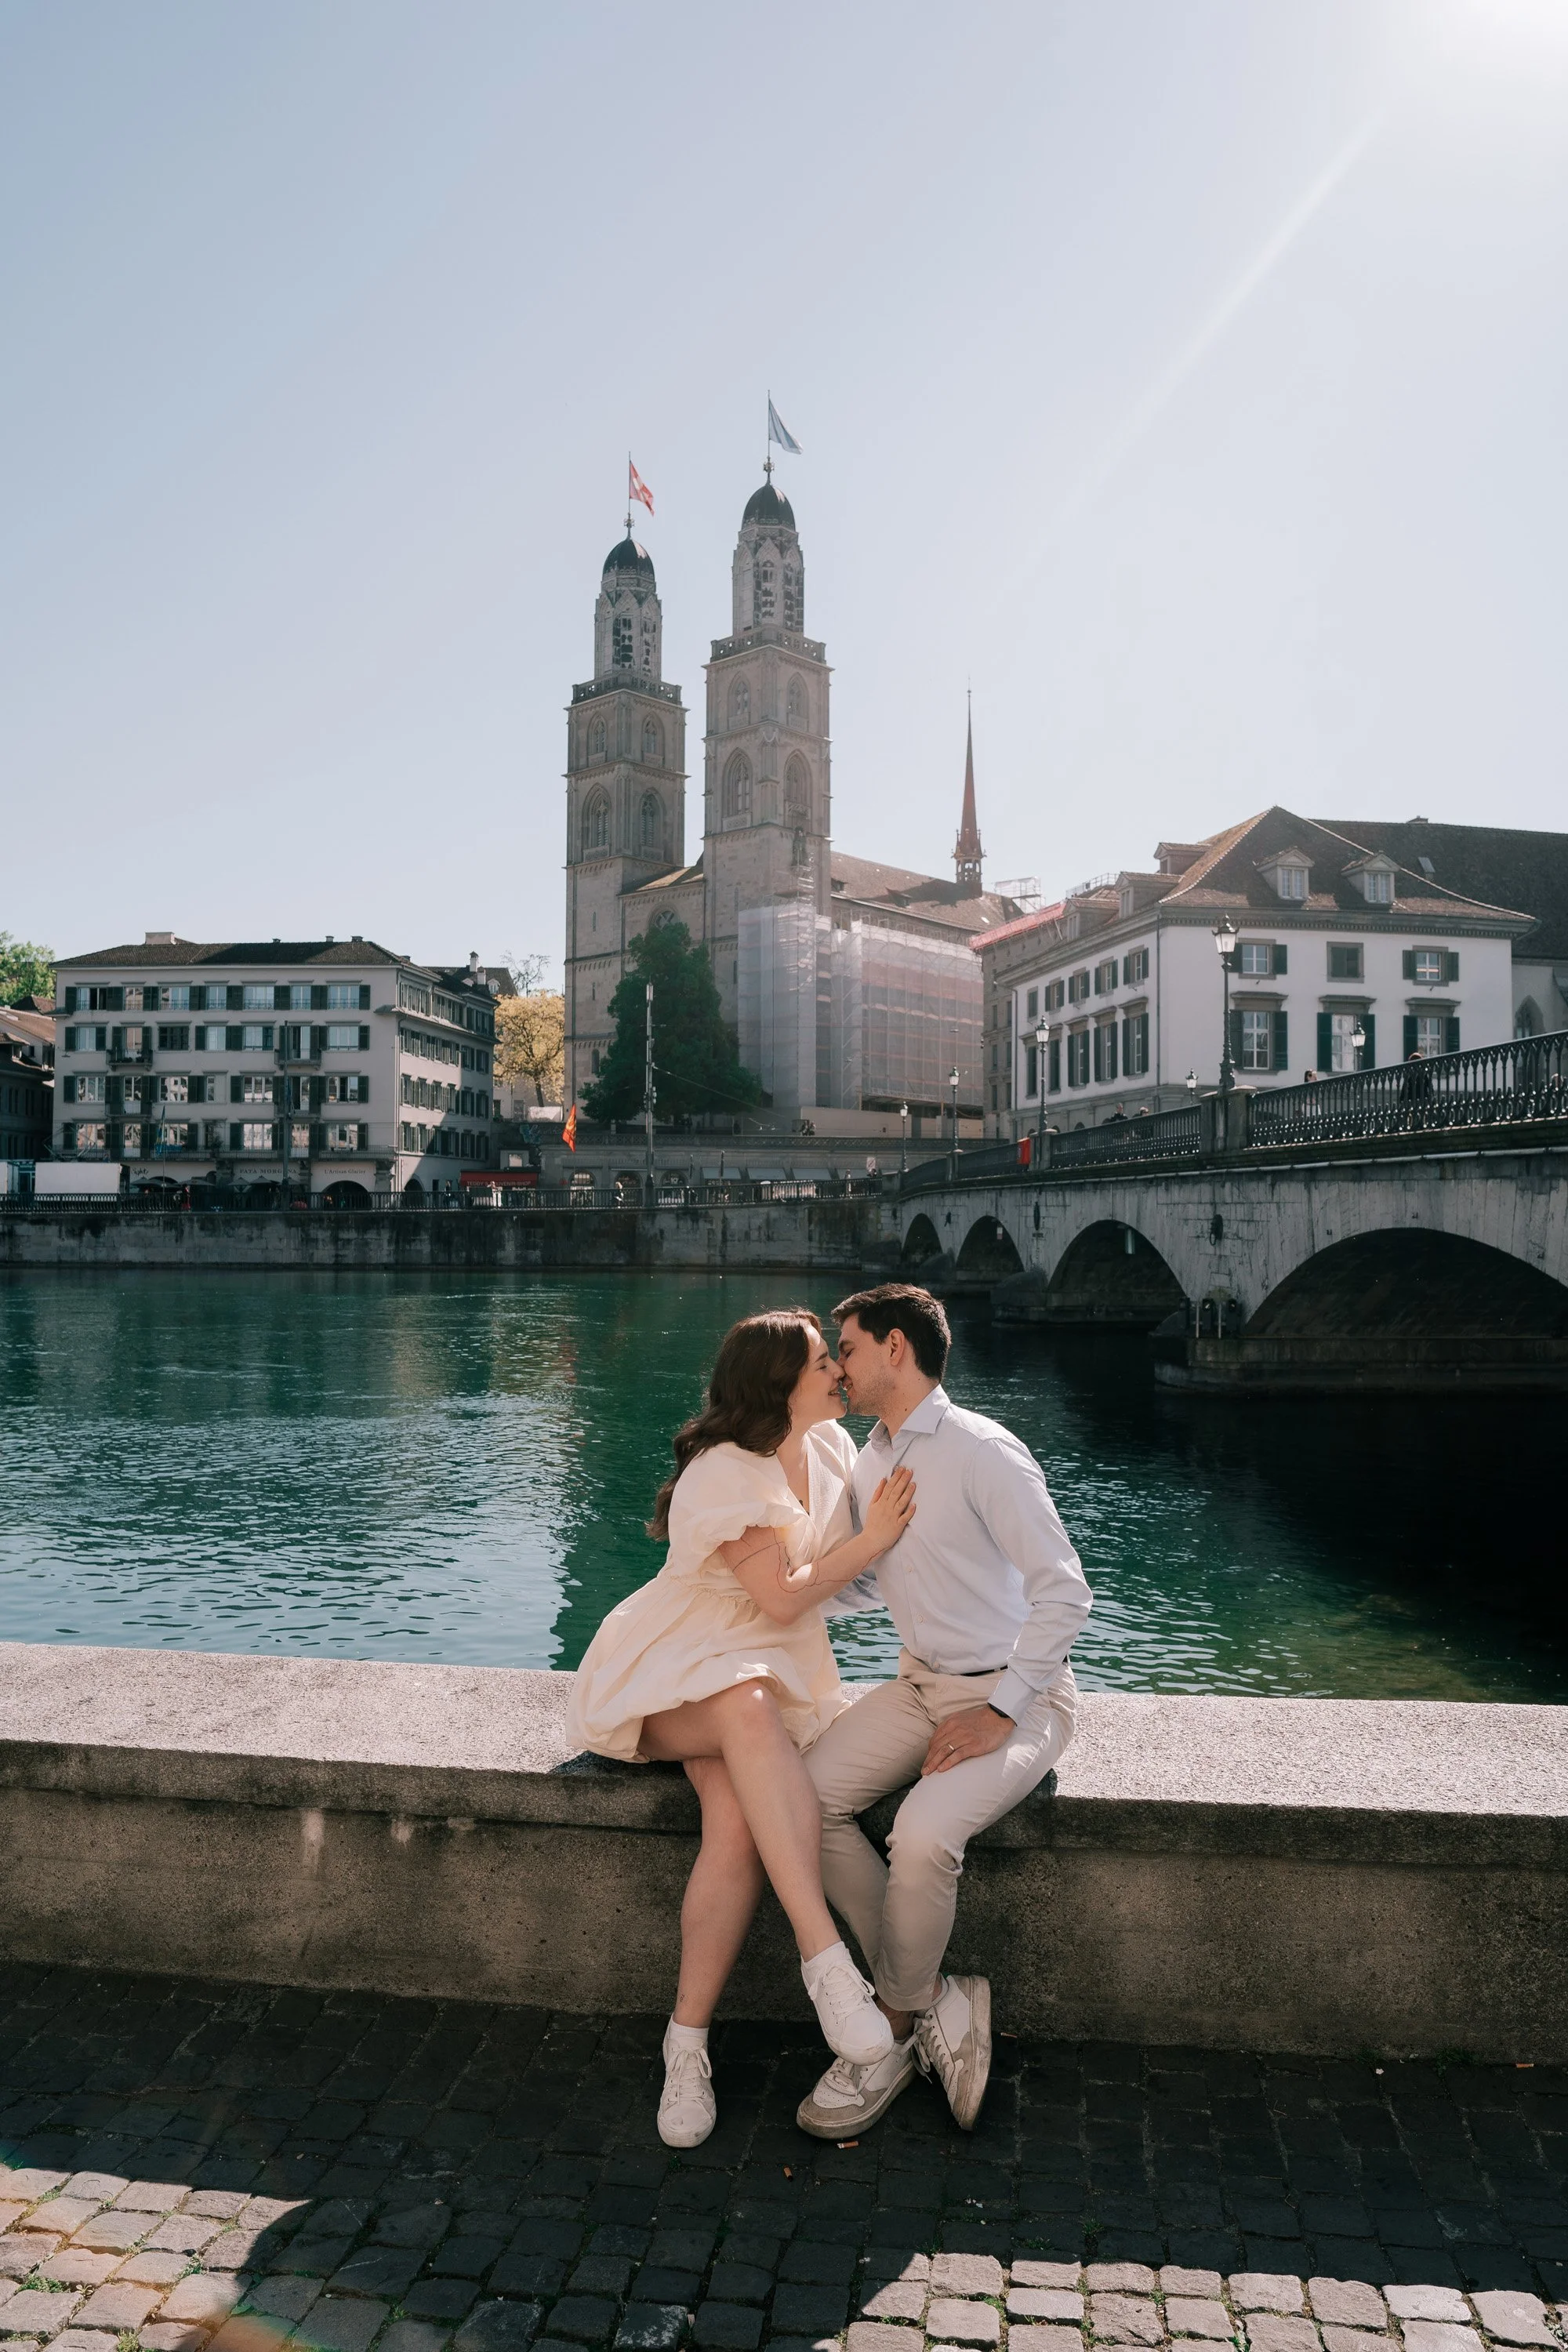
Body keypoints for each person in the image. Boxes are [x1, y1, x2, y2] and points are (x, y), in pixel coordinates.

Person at [566, 1307, 918, 2149]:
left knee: (731, 1821)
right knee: (743, 1702)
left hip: (763, 1673)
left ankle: (684, 2046)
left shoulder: (834, 1450)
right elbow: (787, 1596)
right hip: (669, 1671)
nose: (839, 1369)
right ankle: (825, 1963)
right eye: (820, 1362)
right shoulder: (723, 1471)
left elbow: (863, 1563)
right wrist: (871, 1540)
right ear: (778, 1385)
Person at [796, 1282, 1092, 2141]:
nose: (836, 1368)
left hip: (1018, 1696)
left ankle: (886, 2030)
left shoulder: (982, 1452)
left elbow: (1064, 1595)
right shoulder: (870, 1459)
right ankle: (931, 1996)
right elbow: (857, 1583)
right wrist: (756, 1597)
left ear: (896, 1348)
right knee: (803, 1799)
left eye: (845, 1348)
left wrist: (1001, 1712)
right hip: (920, 1685)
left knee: (923, 1836)